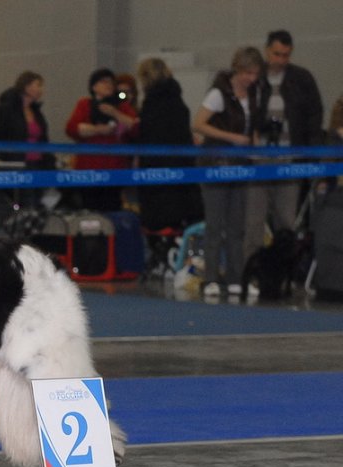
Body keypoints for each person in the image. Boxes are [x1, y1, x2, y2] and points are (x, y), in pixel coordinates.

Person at [245, 29, 324, 259]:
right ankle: (253, 271)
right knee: (254, 220)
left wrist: (312, 155)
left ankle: (283, 273)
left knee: (286, 222)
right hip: (257, 160)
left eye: (286, 55)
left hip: (291, 159)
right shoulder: (254, 79)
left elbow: (314, 116)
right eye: (277, 54)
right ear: (267, 51)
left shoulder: (303, 78)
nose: (281, 59)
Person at [192, 47, 264, 299]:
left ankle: (236, 277)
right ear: (237, 69)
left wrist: (254, 146)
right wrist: (232, 137)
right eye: (247, 73)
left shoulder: (255, 93)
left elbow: (252, 125)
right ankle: (211, 277)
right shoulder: (218, 94)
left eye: (255, 73)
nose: (251, 78)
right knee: (215, 224)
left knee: (237, 227)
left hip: (241, 164)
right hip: (215, 163)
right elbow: (198, 123)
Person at [136, 57, 203, 231]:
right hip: (182, 171)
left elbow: (149, 135)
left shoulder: (152, 104)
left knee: (160, 222)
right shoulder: (177, 100)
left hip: (158, 175)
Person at [65, 68, 138, 212]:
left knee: (113, 208)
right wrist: (99, 130)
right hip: (88, 169)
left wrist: (114, 113)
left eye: (111, 82)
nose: (109, 84)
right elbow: (72, 129)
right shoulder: (84, 104)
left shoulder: (122, 107)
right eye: (103, 81)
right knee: (90, 210)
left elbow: (136, 129)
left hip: (114, 169)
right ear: (94, 86)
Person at [0, 70, 55, 171]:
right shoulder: (4, 110)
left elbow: (44, 139)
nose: (41, 90)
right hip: (13, 164)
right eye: (38, 85)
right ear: (27, 87)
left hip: (37, 164)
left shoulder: (37, 113)